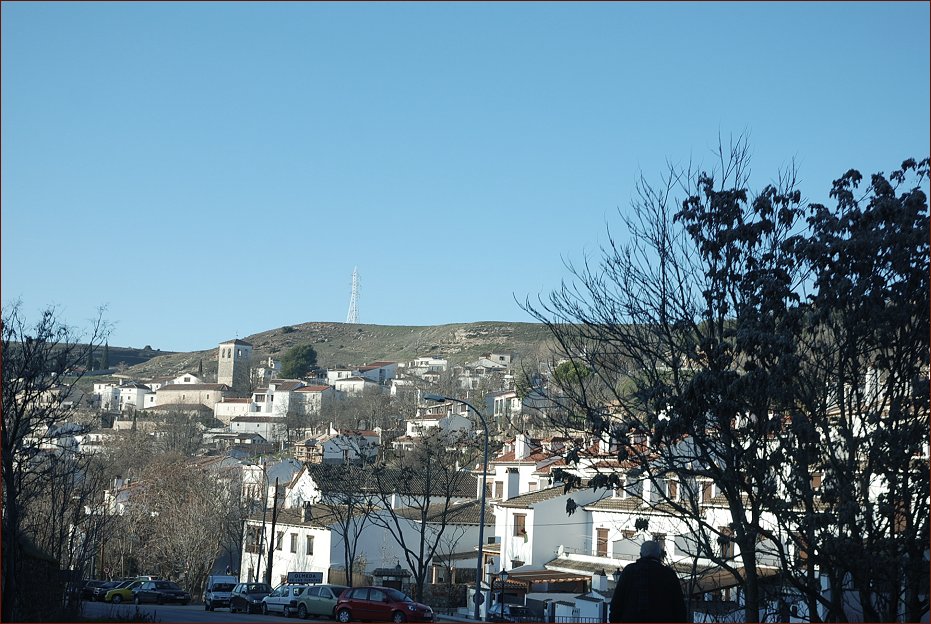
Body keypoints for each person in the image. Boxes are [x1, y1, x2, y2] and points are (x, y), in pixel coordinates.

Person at [610, 540, 687, 622]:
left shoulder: (629, 571)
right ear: (659, 555)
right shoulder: (669, 574)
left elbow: (617, 603)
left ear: (640, 555)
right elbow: (679, 607)